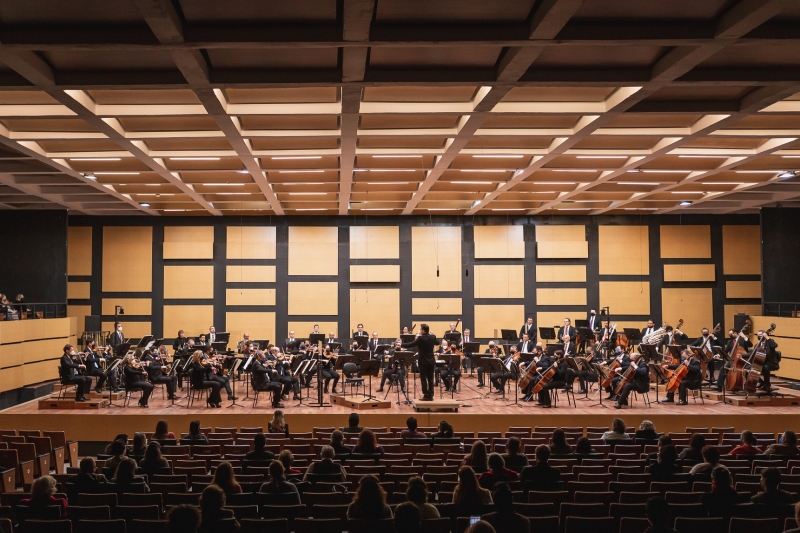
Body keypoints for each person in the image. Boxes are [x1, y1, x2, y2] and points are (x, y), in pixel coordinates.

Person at [402, 324, 437, 401]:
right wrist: (433, 335)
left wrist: (400, 344)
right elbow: (437, 342)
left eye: (421, 329)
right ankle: (431, 395)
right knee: (431, 378)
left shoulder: (420, 338)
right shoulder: (433, 337)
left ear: (423, 330)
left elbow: (410, 344)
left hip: (423, 361)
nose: (420, 330)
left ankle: (426, 395)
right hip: (431, 361)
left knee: (423, 378)